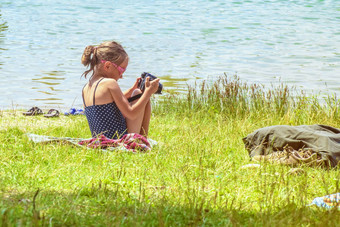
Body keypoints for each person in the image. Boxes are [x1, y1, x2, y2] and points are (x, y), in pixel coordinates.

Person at [81, 41, 160, 139]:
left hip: (101, 141)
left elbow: (108, 103)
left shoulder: (85, 88)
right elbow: (131, 114)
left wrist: (131, 90)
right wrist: (148, 93)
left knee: (136, 93)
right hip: (118, 140)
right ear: (108, 66)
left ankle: (141, 139)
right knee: (139, 94)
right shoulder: (110, 83)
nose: (122, 75)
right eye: (121, 70)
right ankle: (142, 140)